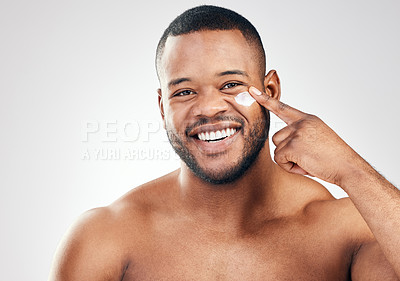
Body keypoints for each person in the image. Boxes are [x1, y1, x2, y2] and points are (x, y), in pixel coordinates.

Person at [49, 5, 400, 280]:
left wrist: (353, 170)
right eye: (184, 92)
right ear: (162, 107)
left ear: (270, 91)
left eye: (230, 84)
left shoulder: (348, 231)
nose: (207, 108)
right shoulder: (106, 239)